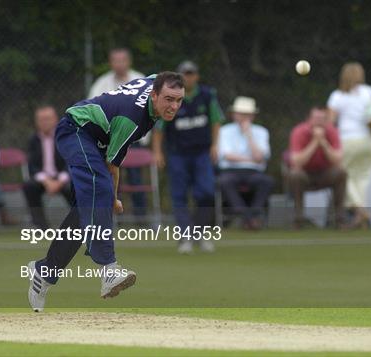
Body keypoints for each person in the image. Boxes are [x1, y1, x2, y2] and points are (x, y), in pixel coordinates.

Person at [27, 72, 184, 312]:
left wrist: (110, 198)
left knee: (84, 214)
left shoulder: (156, 84)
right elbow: (113, 166)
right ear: (154, 94)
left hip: (97, 138)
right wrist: (112, 197)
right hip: (76, 130)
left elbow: (158, 75)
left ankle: (44, 273)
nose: (174, 106)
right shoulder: (132, 119)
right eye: (169, 99)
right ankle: (109, 271)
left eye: (179, 100)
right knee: (99, 187)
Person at [151, 61, 224, 254]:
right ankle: (185, 237)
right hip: (178, 154)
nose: (189, 77)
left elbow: (216, 121)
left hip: (202, 153)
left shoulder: (208, 95)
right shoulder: (172, 97)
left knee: (206, 192)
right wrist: (157, 152)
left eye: (191, 74)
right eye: (185, 74)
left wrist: (215, 145)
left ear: (197, 76)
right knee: (179, 195)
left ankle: (200, 232)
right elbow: (159, 128)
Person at [327, 62, 371, 229]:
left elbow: (331, 122)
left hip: (348, 140)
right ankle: (360, 214)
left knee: (344, 175)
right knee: (363, 177)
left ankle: (360, 210)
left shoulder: (337, 96)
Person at [89, 48, 148, 220]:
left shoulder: (141, 79)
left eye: (122, 60)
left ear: (128, 62)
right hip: (109, 141)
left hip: (134, 141)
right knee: (114, 183)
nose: (119, 64)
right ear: (111, 63)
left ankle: (141, 219)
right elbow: (94, 108)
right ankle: (115, 221)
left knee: (136, 181)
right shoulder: (101, 83)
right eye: (115, 60)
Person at [217, 96, 273, 230]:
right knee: (225, 181)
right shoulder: (224, 131)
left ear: (252, 116)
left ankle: (250, 217)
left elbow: (260, 157)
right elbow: (227, 156)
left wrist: (248, 134)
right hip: (231, 171)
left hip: (254, 172)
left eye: (246, 114)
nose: (243, 117)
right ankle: (249, 217)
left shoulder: (261, 132)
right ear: (234, 114)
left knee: (266, 181)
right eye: (240, 113)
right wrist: (251, 159)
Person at [287, 106, 347, 229]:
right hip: (304, 174)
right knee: (295, 175)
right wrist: (314, 142)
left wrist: (323, 143)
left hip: (325, 174)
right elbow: (296, 162)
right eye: (316, 118)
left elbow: (338, 160)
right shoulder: (298, 132)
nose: (319, 121)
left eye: (323, 118)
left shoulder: (332, 131)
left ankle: (340, 220)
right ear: (308, 119)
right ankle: (298, 220)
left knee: (341, 172)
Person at [23, 105, 72, 229]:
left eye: (47, 119)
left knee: (74, 187)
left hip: (63, 177)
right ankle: (41, 227)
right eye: (41, 119)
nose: (44, 122)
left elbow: (71, 162)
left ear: (56, 119)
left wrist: (59, 181)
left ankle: (79, 224)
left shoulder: (66, 137)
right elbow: (32, 166)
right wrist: (46, 181)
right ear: (36, 122)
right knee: (29, 187)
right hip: (43, 179)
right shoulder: (33, 140)